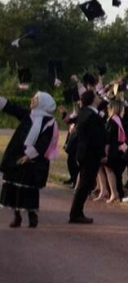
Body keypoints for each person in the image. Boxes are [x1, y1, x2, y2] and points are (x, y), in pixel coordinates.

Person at [1, 92, 58, 228]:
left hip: (33, 160)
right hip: (17, 155)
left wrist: (30, 155)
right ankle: (17, 216)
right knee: (13, 186)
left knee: (29, 189)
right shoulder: (29, 115)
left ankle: (32, 215)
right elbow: (12, 108)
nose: (32, 100)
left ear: (43, 102)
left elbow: (44, 143)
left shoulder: (49, 123)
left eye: (36, 99)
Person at [67, 78, 107, 224]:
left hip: (83, 153)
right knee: (85, 185)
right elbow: (96, 138)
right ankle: (75, 214)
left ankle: (78, 212)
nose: (98, 98)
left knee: (84, 185)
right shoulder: (92, 116)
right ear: (92, 100)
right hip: (90, 154)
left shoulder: (84, 112)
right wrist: (102, 154)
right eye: (96, 96)